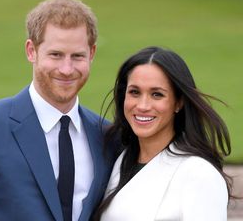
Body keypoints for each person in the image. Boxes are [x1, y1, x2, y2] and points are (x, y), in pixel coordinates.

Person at [0, 0, 116, 221]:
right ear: (31, 51)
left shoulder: (106, 136)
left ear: (92, 54)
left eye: (77, 56)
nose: (67, 69)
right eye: (55, 55)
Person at [93, 46, 232, 220]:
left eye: (157, 94)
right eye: (134, 92)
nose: (143, 106)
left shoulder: (199, 174)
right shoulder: (120, 159)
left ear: (178, 103)